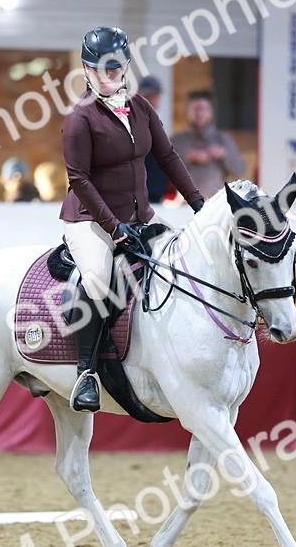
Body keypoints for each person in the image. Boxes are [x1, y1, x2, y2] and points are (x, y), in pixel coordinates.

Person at [61, 26, 207, 412]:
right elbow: (79, 178)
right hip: (90, 221)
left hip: (140, 217)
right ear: (87, 70)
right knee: (97, 278)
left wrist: (198, 203)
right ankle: (86, 375)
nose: (112, 75)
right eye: (103, 69)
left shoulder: (141, 108)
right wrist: (113, 227)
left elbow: (168, 157)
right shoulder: (80, 117)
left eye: (118, 67)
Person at [169, 90, 245, 198]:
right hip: (183, 205)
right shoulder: (177, 140)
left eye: (203, 109)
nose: (199, 113)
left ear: (211, 112)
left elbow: (240, 171)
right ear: (187, 112)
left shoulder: (222, 139)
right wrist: (186, 156)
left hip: (214, 205)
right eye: (196, 109)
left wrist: (224, 155)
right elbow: (160, 174)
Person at [137, 76, 172, 203]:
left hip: (156, 193)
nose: (153, 100)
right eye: (149, 95)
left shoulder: (156, 123)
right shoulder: (131, 120)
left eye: (155, 96)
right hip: (137, 193)